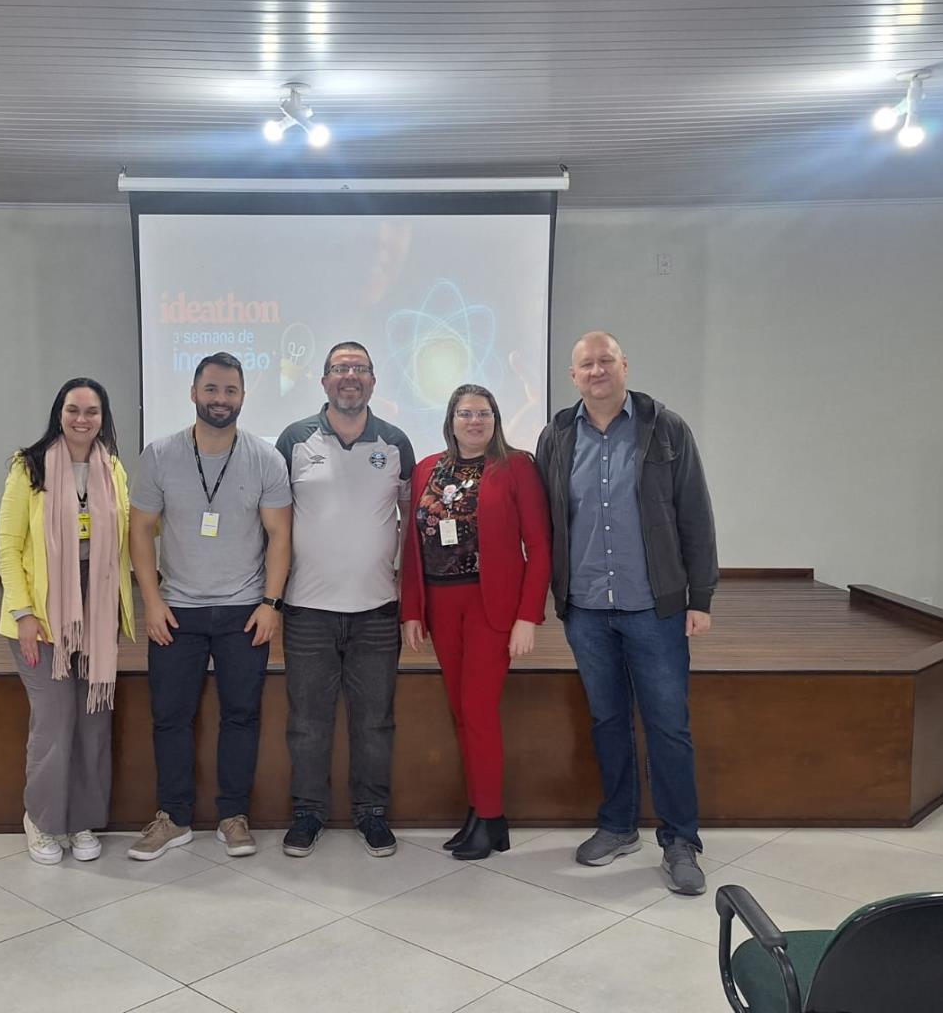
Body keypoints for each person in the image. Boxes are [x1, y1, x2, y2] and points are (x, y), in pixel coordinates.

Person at [535, 331, 718, 896]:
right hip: (586, 609)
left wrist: (700, 598)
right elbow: (543, 520)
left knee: (668, 725)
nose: (596, 371)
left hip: (653, 607)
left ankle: (680, 840)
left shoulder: (666, 428)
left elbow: (695, 513)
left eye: (605, 361)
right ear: (573, 376)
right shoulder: (558, 435)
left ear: (624, 366)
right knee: (607, 721)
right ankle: (617, 826)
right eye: (586, 364)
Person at [127, 352, 292, 861]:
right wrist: (150, 602)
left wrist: (271, 604)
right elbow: (139, 530)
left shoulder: (266, 458)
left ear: (243, 396)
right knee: (170, 717)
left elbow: (280, 535)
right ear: (194, 393)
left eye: (231, 391)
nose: (221, 399)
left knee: (241, 716)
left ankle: (232, 816)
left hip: (245, 609)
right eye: (212, 389)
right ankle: (173, 817)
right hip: (176, 609)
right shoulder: (159, 455)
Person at [275, 341, 415, 858]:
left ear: (374, 381)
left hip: (378, 610)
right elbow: (276, 523)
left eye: (359, 368)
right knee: (307, 720)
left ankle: (371, 813)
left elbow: (409, 519)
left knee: (374, 719)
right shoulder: (293, 439)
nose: (349, 376)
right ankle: (308, 813)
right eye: (340, 368)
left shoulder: (397, 441)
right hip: (307, 609)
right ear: (324, 381)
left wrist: (405, 586)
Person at [400, 384, 551, 860]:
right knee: (462, 713)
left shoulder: (517, 467)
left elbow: (540, 548)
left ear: (495, 418)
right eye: (465, 413)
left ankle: (489, 815)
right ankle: (484, 816)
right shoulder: (427, 468)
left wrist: (528, 616)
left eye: (483, 413)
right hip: (441, 607)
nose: (474, 421)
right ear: (451, 420)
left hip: (491, 609)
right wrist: (411, 611)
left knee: (479, 712)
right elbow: (409, 544)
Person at [0, 377, 134, 866]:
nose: (83, 419)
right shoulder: (29, 466)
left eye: (92, 411)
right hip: (42, 615)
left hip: (96, 611)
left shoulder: (112, 467)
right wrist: (24, 613)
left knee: (94, 721)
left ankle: (80, 820)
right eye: (74, 409)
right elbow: (8, 547)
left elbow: (120, 542)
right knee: (56, 720)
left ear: (103, 418)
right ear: (60, 412)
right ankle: (41, 818)